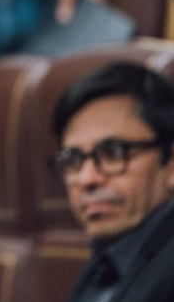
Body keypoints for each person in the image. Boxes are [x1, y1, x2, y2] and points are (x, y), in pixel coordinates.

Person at [49, 62, 174, 301]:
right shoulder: (109, 256)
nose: (87, 179)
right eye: (73, 159)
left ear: (171, 164)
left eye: (114, 152)